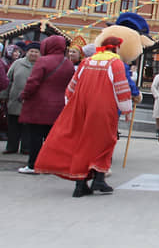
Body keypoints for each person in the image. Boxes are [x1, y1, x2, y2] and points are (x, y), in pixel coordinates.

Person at [34, 36, 133, 197]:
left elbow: (72, 86)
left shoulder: (86, 62)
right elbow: (121, 88)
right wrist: (126, 109)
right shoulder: (115, 63)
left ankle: (80, 183)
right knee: (104, 142)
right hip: (103, 109)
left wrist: (70, 105)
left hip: (81, 107)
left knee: (82, 142)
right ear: (116, 48)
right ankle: (99, 178)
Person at [17, 36, 75, 174]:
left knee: (35, 137)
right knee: (52, 138)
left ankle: (33, 165)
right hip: (59, 106)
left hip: (39, 105)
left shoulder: (43, 60)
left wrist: (24, 95)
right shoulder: (68, 63)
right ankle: (51, 165)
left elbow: (33, 82)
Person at [1, 42, 40, 155]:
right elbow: (8, 80)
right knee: (13, 125)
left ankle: (26, 148)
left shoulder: (41, 65)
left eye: (36, 52)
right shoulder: (17, 63)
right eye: (31, 51)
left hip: (32, 101)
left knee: (28, 127)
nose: (33, 54)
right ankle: (11, 147)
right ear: (26, 52)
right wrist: (4, 96)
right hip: (15, 99)